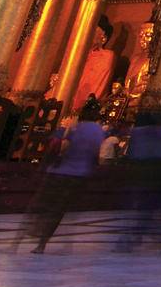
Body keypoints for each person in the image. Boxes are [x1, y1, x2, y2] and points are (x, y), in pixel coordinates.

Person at [19, 99, 105, 254]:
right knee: (56, 210)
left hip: (57, 171)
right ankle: (41, 244)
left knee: (38, 206)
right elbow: (94, 154)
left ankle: (16, 244)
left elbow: (55, 141)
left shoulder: (73, 125)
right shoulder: (96, 130)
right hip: (76, 174)